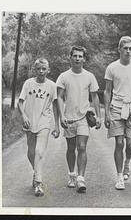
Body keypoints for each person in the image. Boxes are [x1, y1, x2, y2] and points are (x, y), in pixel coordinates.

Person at [104, 36, 131, 190]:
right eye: (125, 48)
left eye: (130, 48)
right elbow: (107, 91)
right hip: (116, 107)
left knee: (130, 144)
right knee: (119, 142)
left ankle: (127, 162)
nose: (128, 51)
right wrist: (107, 114)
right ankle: (119, 176)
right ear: (119, 49)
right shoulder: (111, 68)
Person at [56, 46, 101, 193]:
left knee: (81, 147)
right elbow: (60, 98)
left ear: (84, 59)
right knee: (70, 148)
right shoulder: (63, 77)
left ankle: (81, 178)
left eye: (80, 56)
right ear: (70, 58)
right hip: (69, 119)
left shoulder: (89, 76)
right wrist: (62, 116)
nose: (77, 58)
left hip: (83, 118)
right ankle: (72, 175)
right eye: (75, 56)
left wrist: (99, 116)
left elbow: (95, 97)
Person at [18, 58, 60, 197]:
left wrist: (57, 125)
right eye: (38, 69)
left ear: (48, 70)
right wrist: (24, 115)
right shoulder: (28, 83)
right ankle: (36, 172)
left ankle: (38, 183)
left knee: (39, 151)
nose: (41, 71)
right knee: (31, 153)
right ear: (34, 70)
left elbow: (55, 106)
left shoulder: (52, 86)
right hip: (30, 121)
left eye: (44, 69)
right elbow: (20, 102)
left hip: (44, 121)